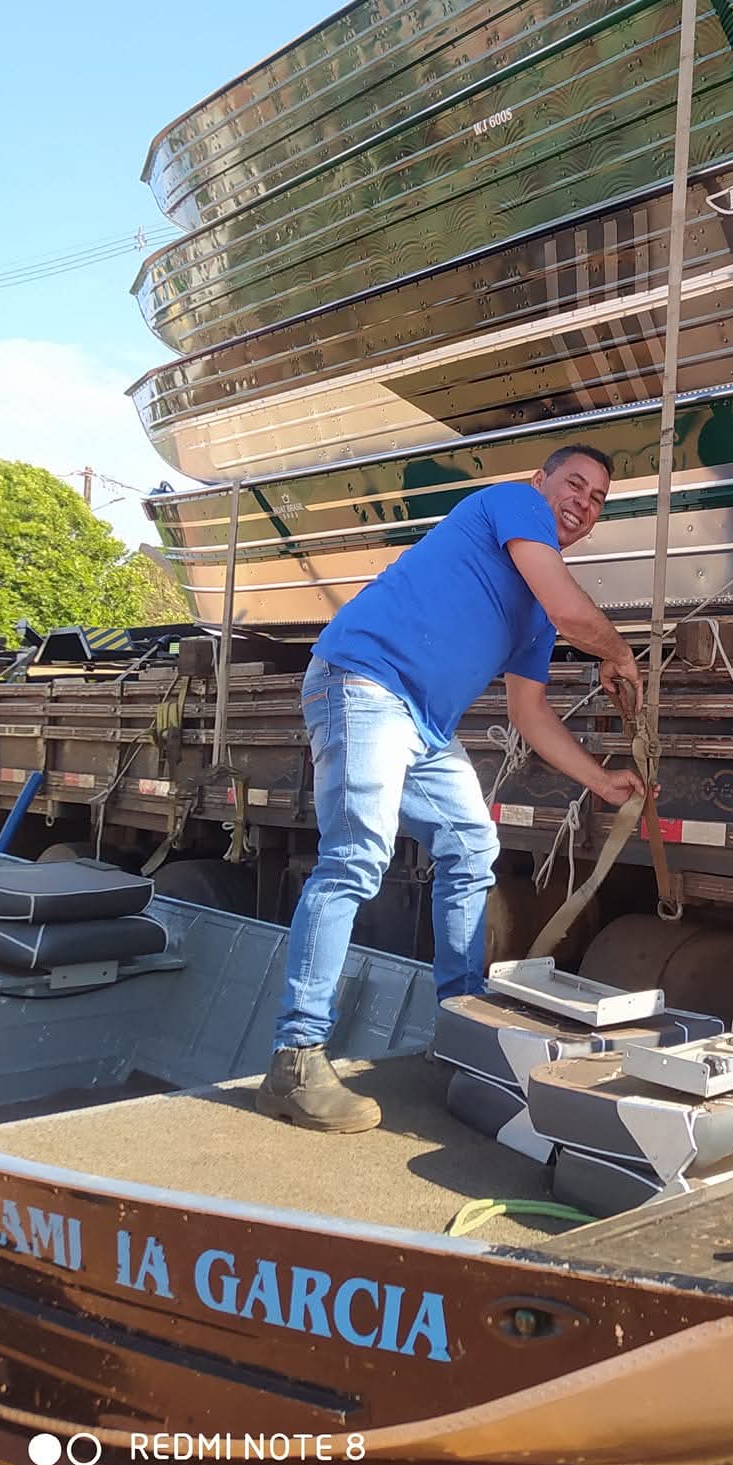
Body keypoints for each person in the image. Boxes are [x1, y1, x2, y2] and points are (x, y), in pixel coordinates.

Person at [258, 442, 646, 1132]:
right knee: (356, 858)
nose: (583, 503)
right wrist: (618, 652)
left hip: (424, 726)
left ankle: (459, 1030)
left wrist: (601, 780)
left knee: (471, 845)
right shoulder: (512, 502)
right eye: (575, 485)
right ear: (541, 481)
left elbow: (529, 714)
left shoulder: (533, 613)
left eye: (597, 500)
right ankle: (295, 1059)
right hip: (364, 682)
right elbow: (574, 613)